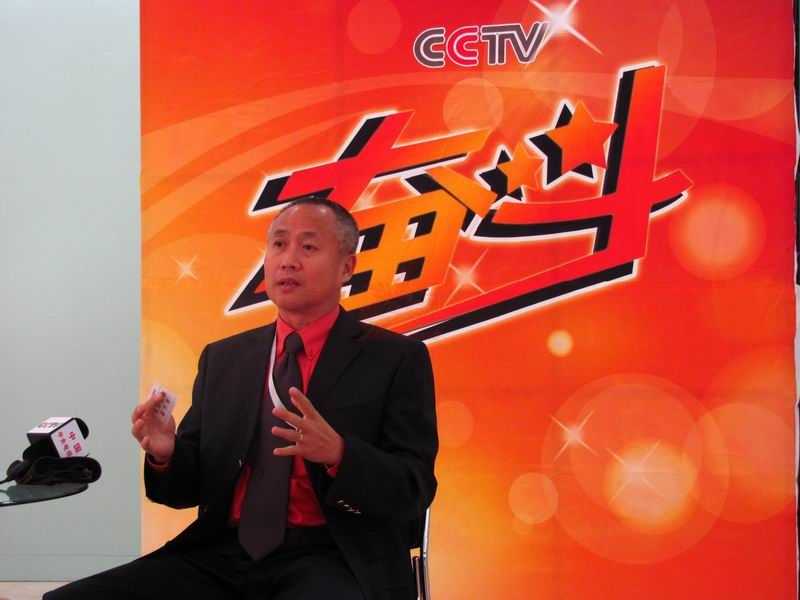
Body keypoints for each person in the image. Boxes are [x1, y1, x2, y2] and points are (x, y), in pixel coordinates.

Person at [44, 196, 438, 600]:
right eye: (278, 244)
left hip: (333, 555)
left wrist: (340, 454)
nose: (288, 260)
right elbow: (183, 492)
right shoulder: (225, 358)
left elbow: (415, 488)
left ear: (347, 267)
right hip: (222, 552)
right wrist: (167, 454)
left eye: (308, 247)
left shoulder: (394, 358)